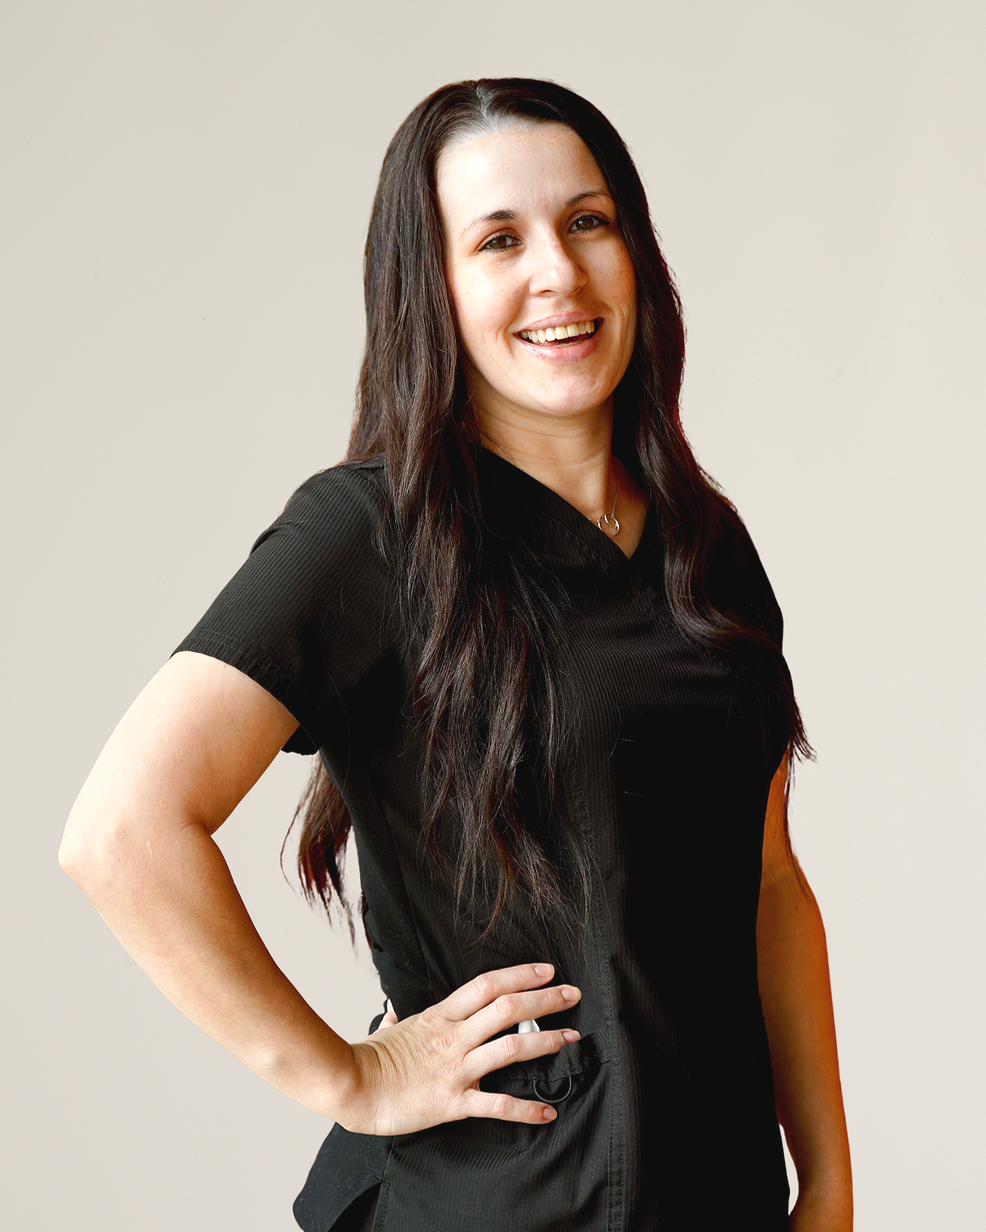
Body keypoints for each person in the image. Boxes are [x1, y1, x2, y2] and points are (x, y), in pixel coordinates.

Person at [59, 78, 852, 1231]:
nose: (558, 275)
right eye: (496, 239)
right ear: (430, 287)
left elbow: (768, 883)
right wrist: (349, 1074)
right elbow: (120, 831)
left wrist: (823, 1176)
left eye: (588, 221)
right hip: (492, 1201)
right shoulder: (366, 533)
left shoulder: (704, 545)